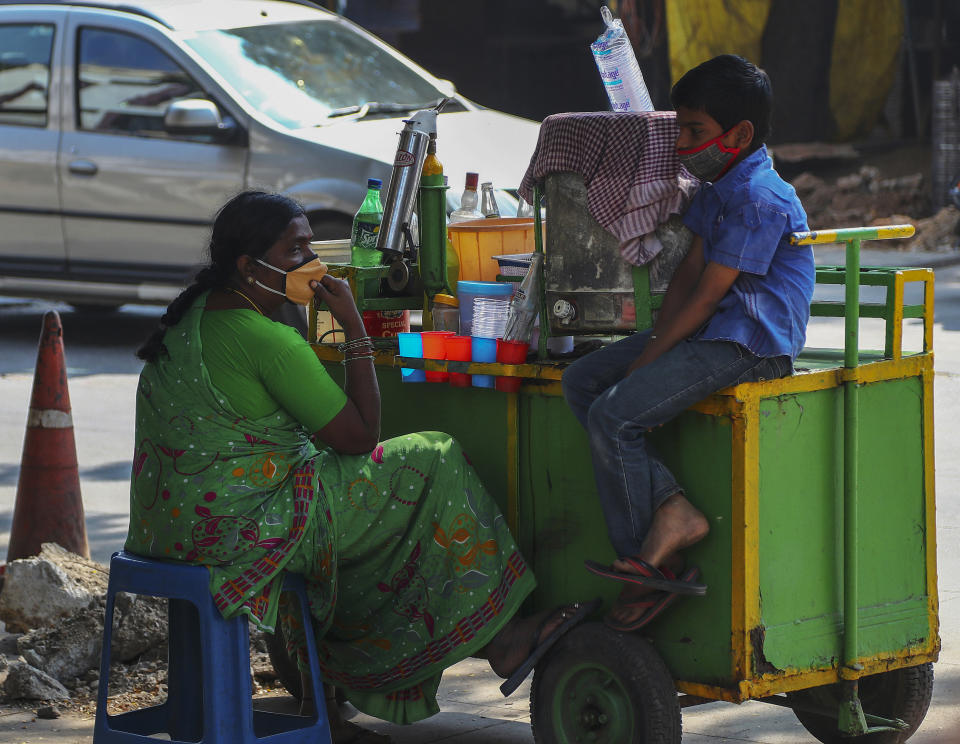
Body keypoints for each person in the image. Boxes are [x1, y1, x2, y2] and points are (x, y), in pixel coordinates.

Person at [126, 191, 595, 742]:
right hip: (239, 530)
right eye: (296, 249)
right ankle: (503, 638)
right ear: (249, 266)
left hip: (165, 527)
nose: (311, 261)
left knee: (360, 502)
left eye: (310, 245)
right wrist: (353, 327)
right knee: (431, 458)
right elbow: (358, 437)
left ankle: (328, 679)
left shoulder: (198, 315)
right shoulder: (267, 339)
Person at [563, 54, 815, 632]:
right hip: (712, 330)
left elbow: (707, 297)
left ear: (740, 134)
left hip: (750, 344)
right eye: (680, 126)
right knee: (581, 380)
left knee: (614, 416)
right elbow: (685, 281)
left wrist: (647, 362)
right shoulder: (718, 186)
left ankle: (646, 558)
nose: (680, 142)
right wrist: (649, 345)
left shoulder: (760, 198)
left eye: (694, 131)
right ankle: (672, 508)